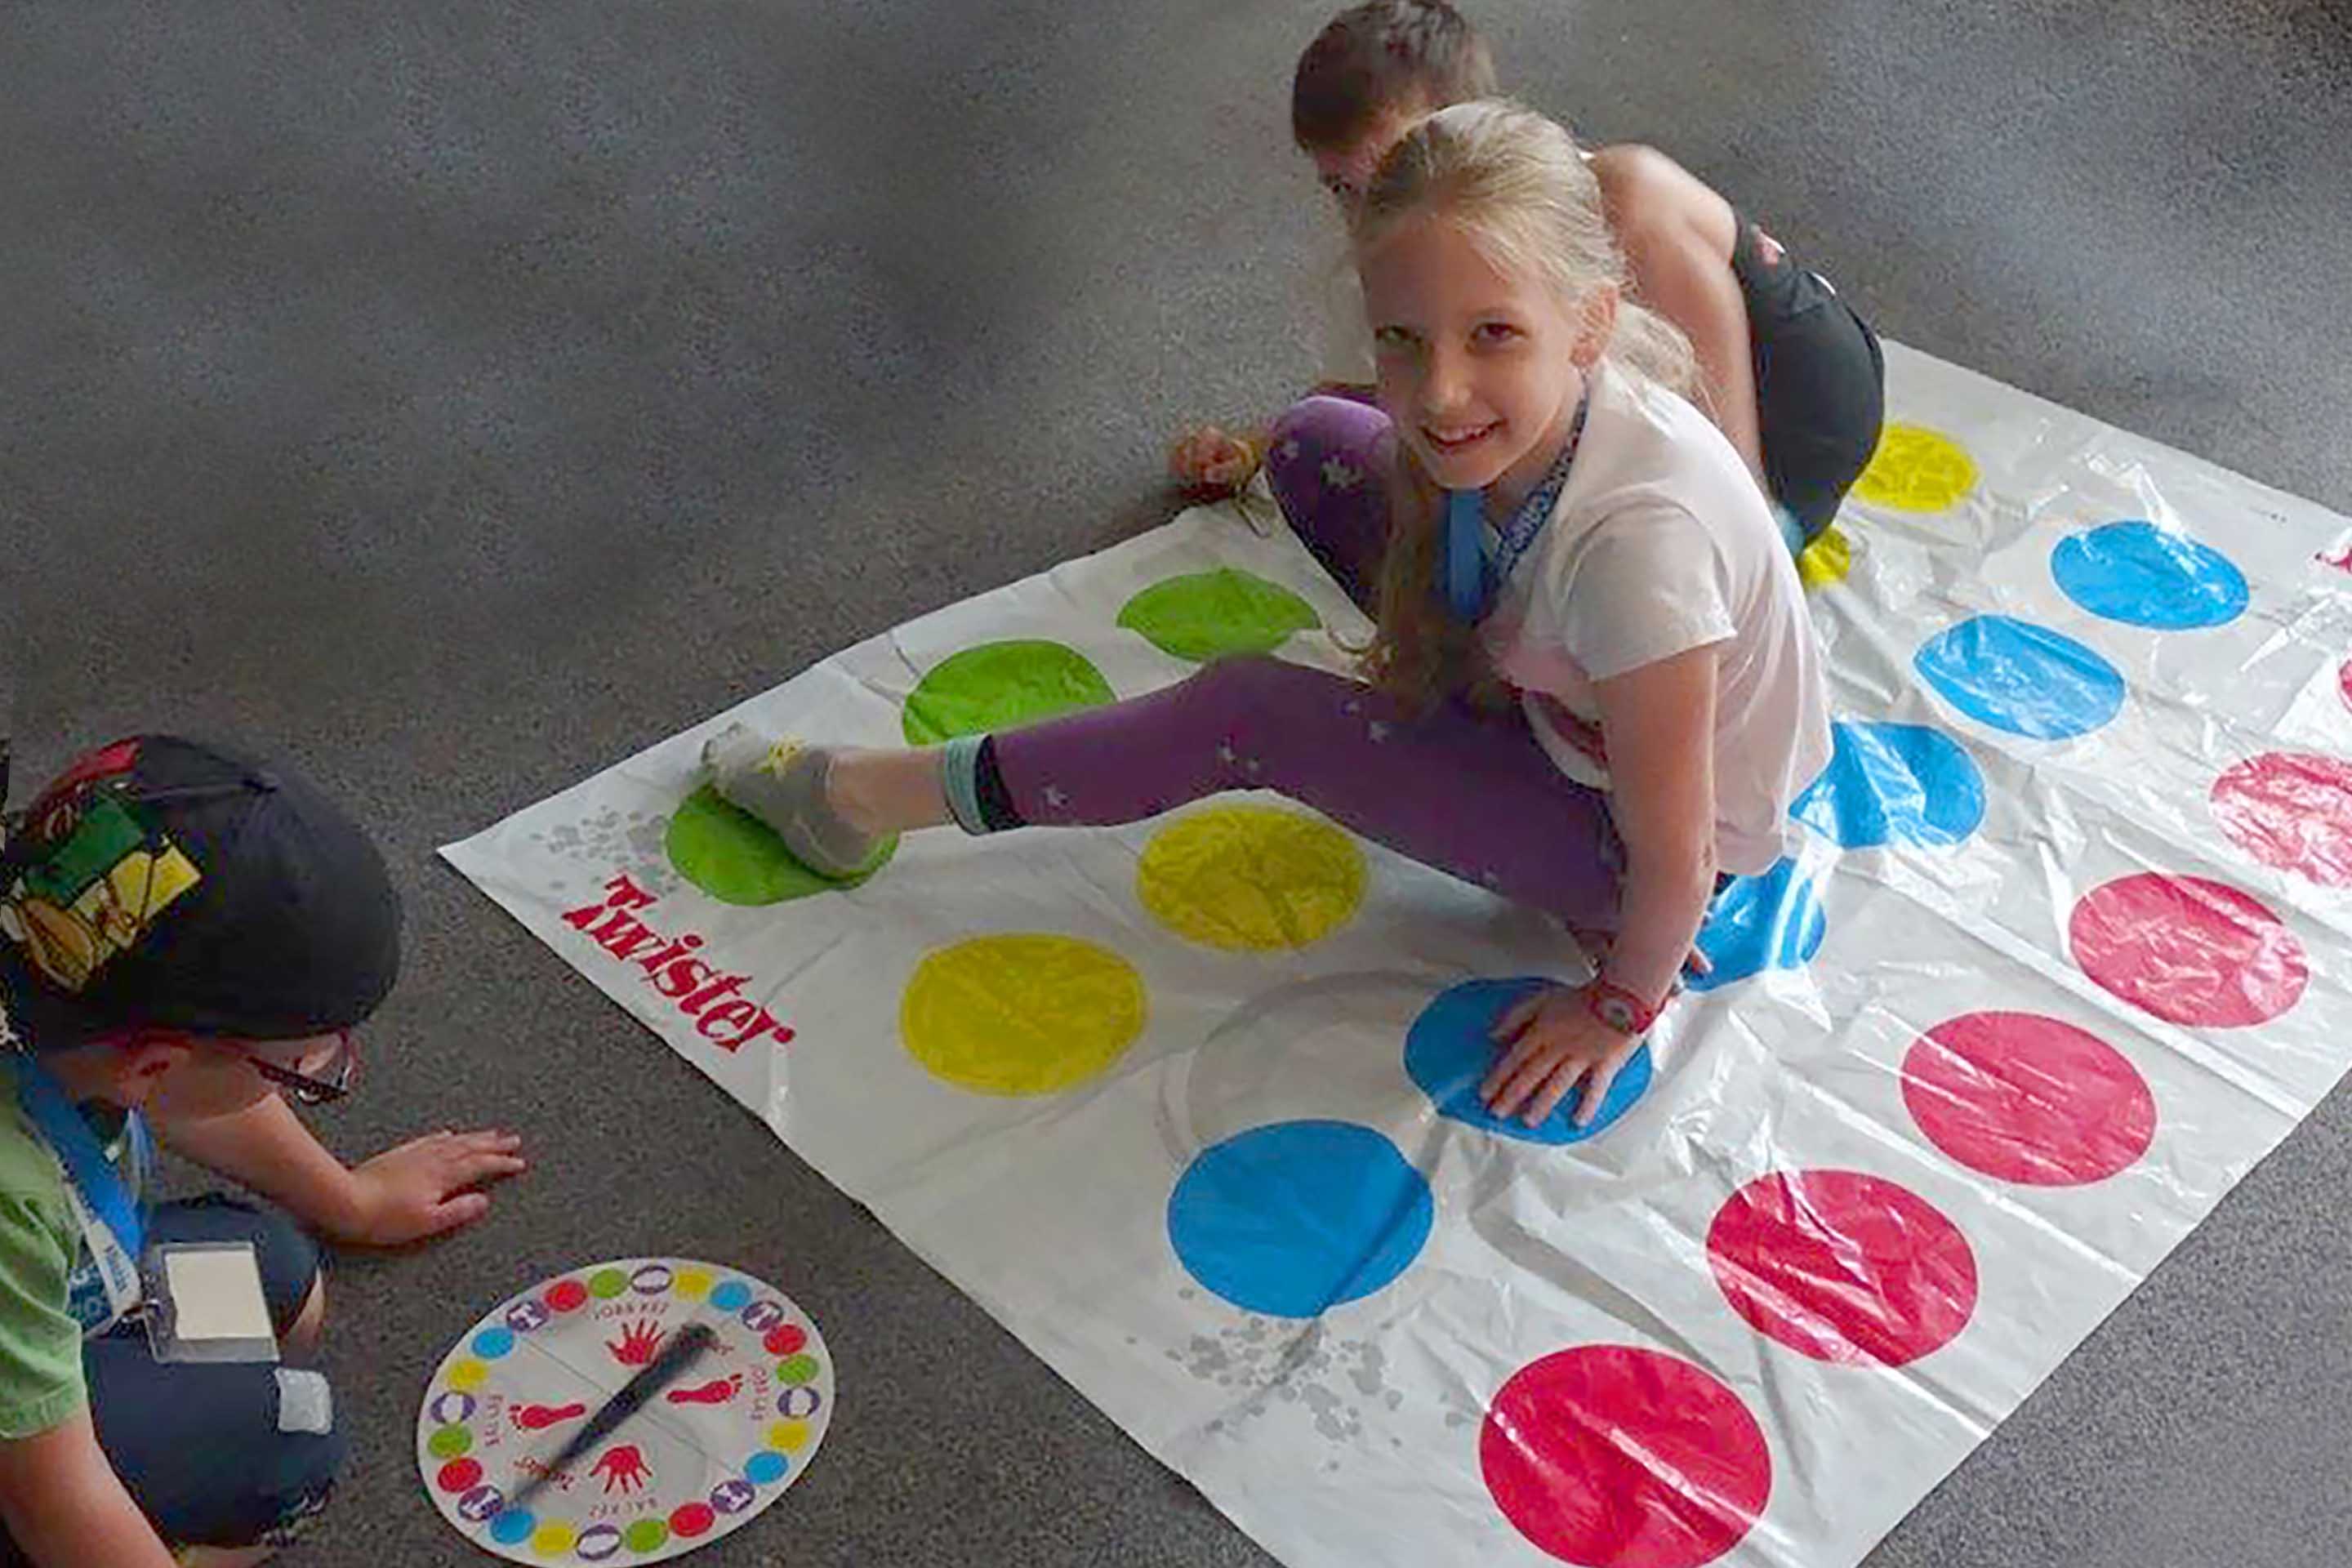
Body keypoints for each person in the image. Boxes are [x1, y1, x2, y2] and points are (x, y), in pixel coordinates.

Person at [705, 102, 1830, 1137]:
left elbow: (1676, 848)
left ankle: (857, 800)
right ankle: (1468, 637)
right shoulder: (1542, 416)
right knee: (1309, 442)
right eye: (1402, 339)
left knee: (1249, 708)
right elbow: (1428, 425)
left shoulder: (1641, 554)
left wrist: (1623, 1004)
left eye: (1493, 335)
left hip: (1629, 851)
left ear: (1590, 325)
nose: (1437, 390)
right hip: (1567, 692)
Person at [0, 735, 528, 1567]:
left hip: (52, 1261)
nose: (304, 1079)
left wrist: (351, 1199)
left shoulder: (44, 940)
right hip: (20, 1357)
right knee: (292, 1443)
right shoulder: (12, 1202)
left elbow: (177, 1092)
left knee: (283, 1280)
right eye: (301, 1070)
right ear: (155, 1061)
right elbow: (51, 1491)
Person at [1172, 0, 1884, 554]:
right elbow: (1373, 382)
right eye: (1340, 190)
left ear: (1471, 128)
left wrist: (1717, 563)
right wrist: (1255, 445)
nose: (1366, 214)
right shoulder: (1396, 242)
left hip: (1800, 430)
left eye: (1391, 170)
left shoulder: (1624, 201)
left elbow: (1727, 458)